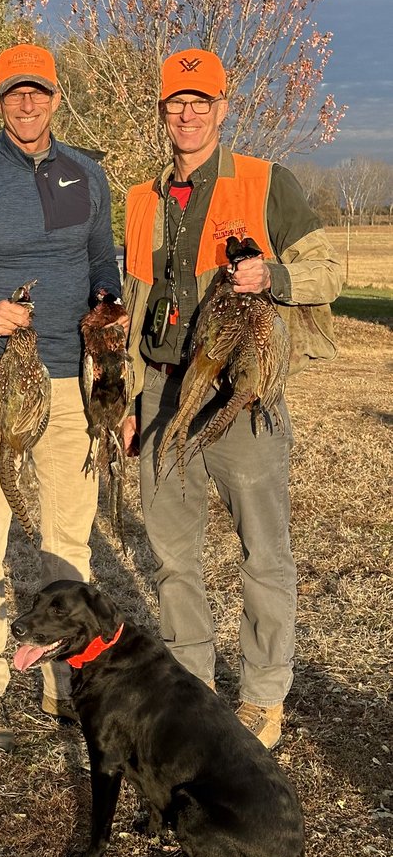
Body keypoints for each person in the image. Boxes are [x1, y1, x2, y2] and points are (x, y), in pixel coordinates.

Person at [122, 48, 342, 750]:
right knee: (171, 554)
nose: (187, 115)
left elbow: (329, 273)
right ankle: (193, 691)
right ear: (162, 112)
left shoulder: (266, 182)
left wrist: (270, 274)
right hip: (161, 389)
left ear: (222, 109)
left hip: (241, 394)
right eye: (175, 104)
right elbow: (132, 308)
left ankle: (263, 696)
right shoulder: (140, 199)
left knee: (263, 550)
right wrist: (131, 398)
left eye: (201, 103)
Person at [0, 44, 122, 752]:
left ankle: (61, 682)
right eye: (14, 93)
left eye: (38, 92)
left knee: (68, 535)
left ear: (56, 98)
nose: (27, 104)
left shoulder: (87, 175)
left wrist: (109, 302)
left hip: (73, 381)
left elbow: (103, 258)